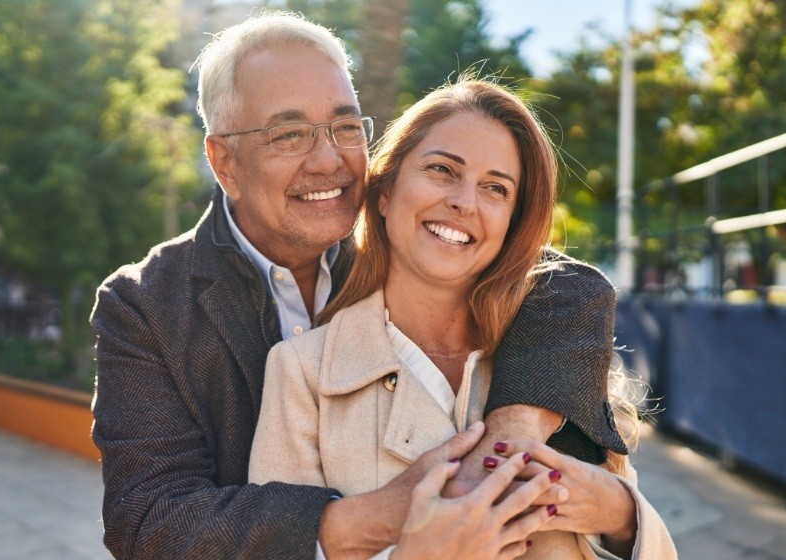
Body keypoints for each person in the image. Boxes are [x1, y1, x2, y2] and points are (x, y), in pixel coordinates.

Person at [91, 12, 629, 559]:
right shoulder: (145, 305)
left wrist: (522, 439)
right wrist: (398, 511)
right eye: (289, 134)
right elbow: (149, 519)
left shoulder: (412, 249)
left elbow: (559, 277)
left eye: (346, 128)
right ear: (224, 162)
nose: (329, 160)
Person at [249, 79, 677, 559]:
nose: (465, 202)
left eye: (496, 188)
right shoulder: (302, 373)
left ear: (512, 222)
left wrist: (621, 515)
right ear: (385, 192)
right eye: (442, 169)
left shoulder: (553, 347)